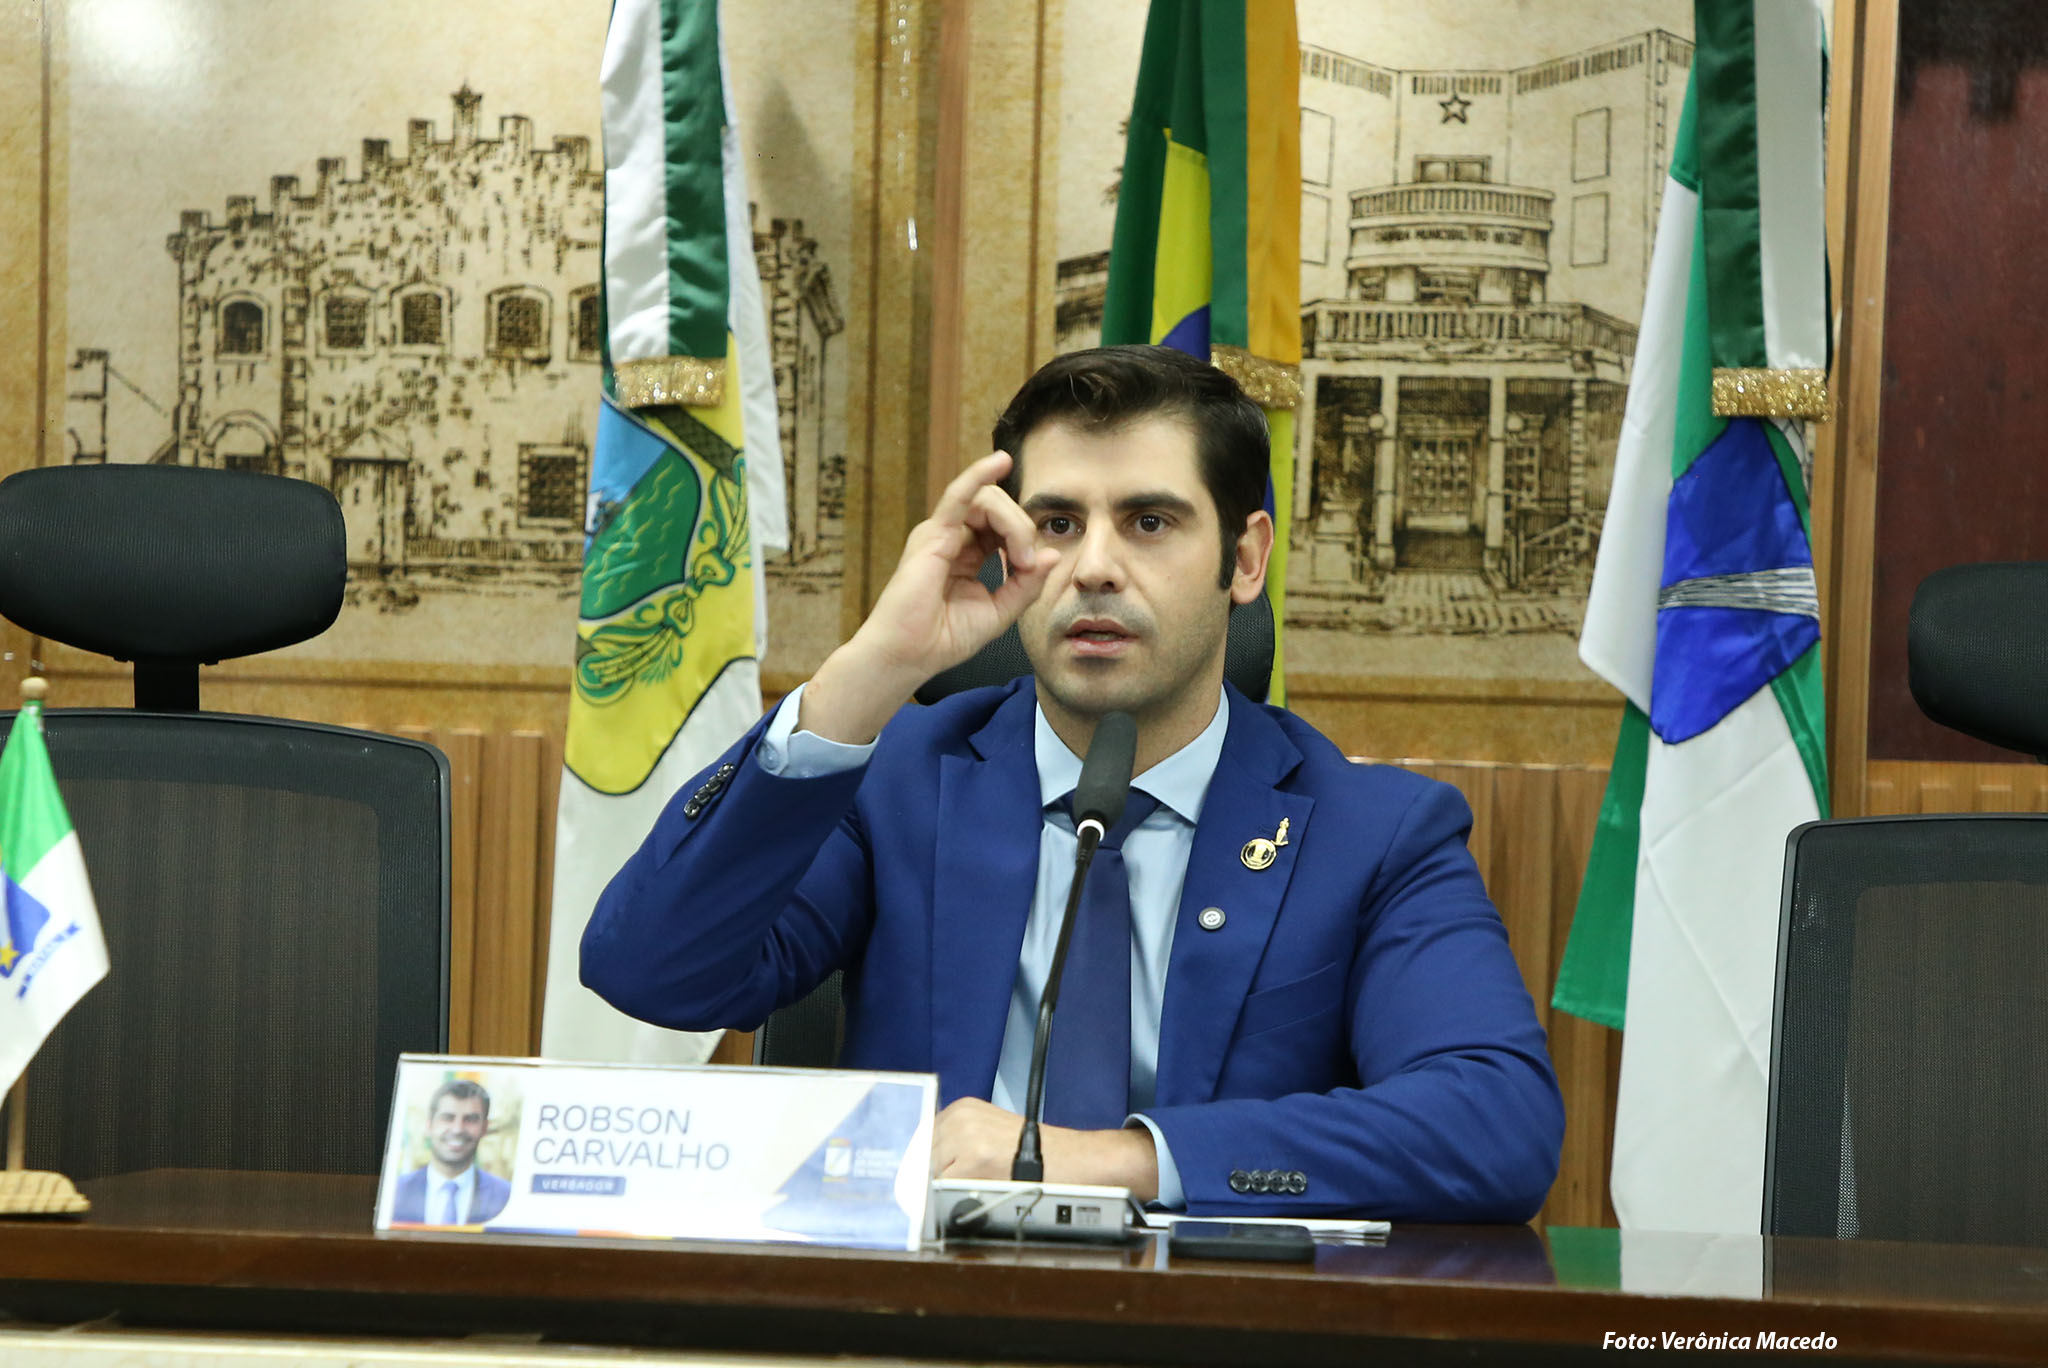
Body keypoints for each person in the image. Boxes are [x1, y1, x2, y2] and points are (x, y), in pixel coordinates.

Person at [583, 345, 1563, 1219]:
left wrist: (1111, 1160)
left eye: (1149, 521)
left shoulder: (1374, 832)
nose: (1093, 567)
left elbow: (1496, 1125)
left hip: (1217, 1327)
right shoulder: (899, 782)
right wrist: (872, 669)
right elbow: (650, 969)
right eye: (1056, 522)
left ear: (1243, 558)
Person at [391, 1078, 512, 1225]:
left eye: (470, 1119)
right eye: (448, 1118)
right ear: (429, 1125)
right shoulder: (394, 1193)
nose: (457, 1129)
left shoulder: (507, 1196)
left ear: (484, 1128)